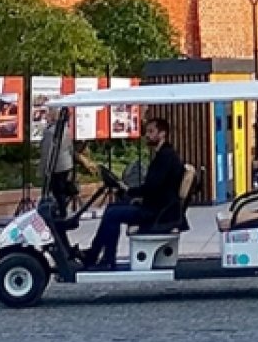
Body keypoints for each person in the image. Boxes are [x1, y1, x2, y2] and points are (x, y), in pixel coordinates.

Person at [81, 118, 185, 271]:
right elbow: (153, 187)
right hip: (158, 207)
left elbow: (153, 187)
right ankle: (95, 254)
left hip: (158, 212)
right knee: (112, 208)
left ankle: (104, 258)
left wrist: (131, 192)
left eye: (151, 132)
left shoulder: (166, 157)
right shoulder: (163, 155)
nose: (147, 135)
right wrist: (132, 194)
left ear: (162, 134)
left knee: (112, 214)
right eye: (147, 132)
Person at [39, 107, 97, 214]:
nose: (46, 117)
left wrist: (44, 169)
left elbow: (46, 151)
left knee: (56, 190)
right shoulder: (65, 129)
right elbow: (69, 147)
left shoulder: (49, 131)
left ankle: (60, 212)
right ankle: (62, 210)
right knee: (61, 188)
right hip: (66, 164)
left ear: (52, 117)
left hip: (55, 165)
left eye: (48, 115)